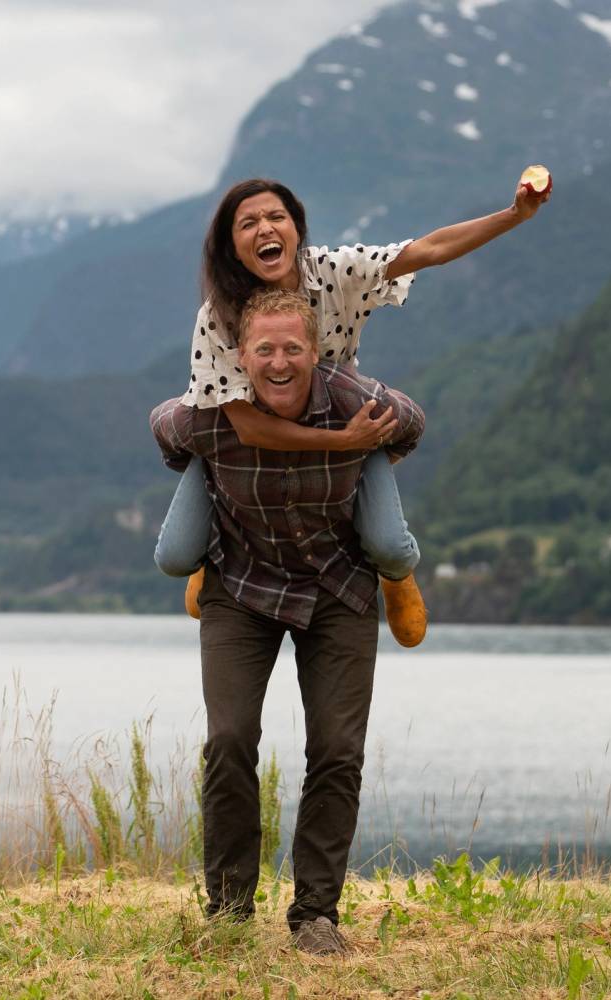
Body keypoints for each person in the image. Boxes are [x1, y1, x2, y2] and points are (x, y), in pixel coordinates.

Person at [155, 174, 551, 646]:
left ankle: (395, 578)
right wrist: (342, 442)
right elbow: (246, 426)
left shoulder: (333, 270)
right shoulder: (217, 315)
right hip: (247, 442)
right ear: (231, 246)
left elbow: (429, 249)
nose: (265, 228)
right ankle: (215, 550)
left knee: (391, 547)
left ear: (297, 230)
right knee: (175, 556)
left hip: (339, 414)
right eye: (248, 223)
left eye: (276, 217)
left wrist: (515, 214)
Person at [151, 288, 425, 954]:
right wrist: (198, 462)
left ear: (316, 351)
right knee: (230, 739)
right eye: (264, 349)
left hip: (339, 588)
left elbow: (414, 423)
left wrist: (376, 419)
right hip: (240, 587)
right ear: (240, 356)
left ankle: (315, 917)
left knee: (336, 748)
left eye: (293, 348)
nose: (279, 362)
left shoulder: (350, 397)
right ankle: (229, 910)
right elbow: (163, 425)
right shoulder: (213, 413)